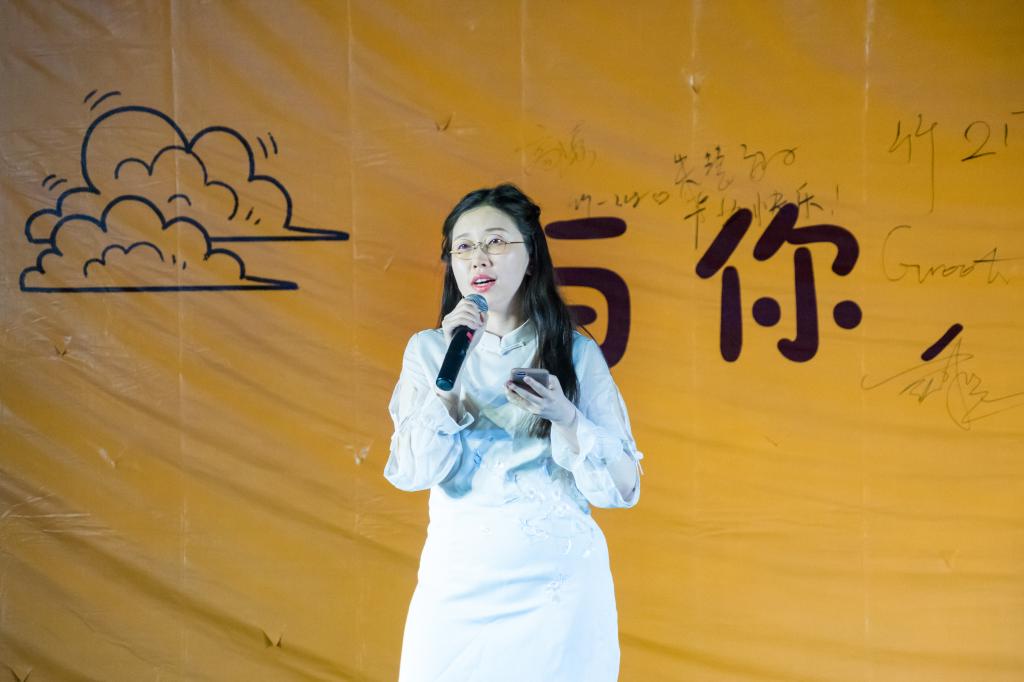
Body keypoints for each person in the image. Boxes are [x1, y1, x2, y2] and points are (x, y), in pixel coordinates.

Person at [385, 183, 643, 682]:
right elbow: (413, 472)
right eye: (464, 247)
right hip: (458, 588)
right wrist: (450, 377)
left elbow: (622, 487)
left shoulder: (574, 353)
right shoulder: (429, 351)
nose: (479, 257)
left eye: (496, 242)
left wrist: (566, 416)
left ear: (531, 258)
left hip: (557, 592)